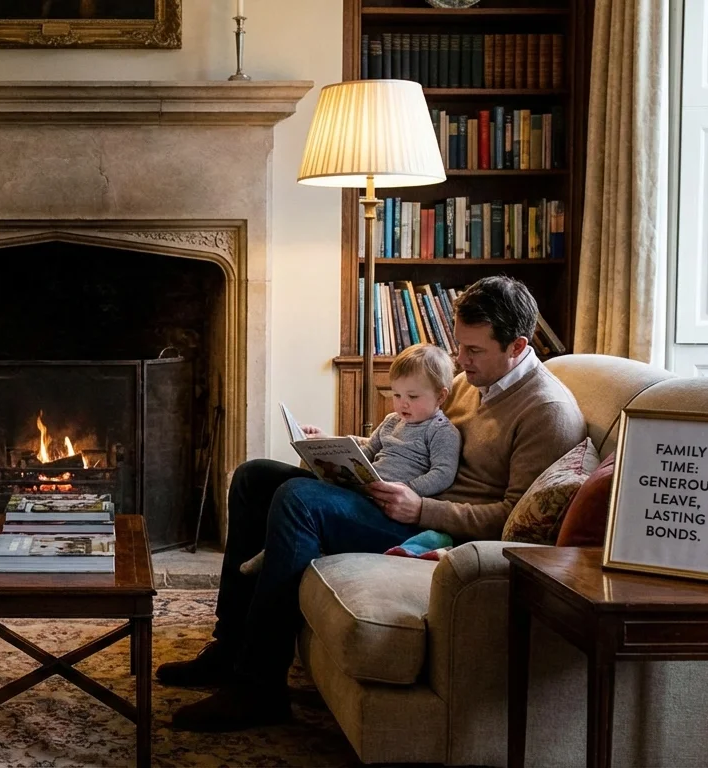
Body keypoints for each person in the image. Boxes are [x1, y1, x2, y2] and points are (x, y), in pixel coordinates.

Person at [161, 275, 586, 732]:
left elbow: (512, 521)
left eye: (474, 351)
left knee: (297, 499)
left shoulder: (546, 411)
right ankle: (229, 646)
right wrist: (342, 449)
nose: (460, 362)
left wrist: (420, 509)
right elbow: (410, 441)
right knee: (253, 477)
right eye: (459, 347)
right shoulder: (477, 380)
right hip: (402, 499)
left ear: (518, 346)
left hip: (432, 529)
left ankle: (257, 687)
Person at [240, 343, 461, 576]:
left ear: (441, 396)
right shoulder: (391, 421)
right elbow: (367, 450)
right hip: (365, 492)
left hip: (393, 510)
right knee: (253, 473)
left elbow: (443, 473)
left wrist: (408, 490)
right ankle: (258, 571)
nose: (402, 403)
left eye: (413, 396)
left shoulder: (441, 432)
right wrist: (329, 447)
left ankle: (273, 554)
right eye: (396, 394)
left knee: (297, 493)